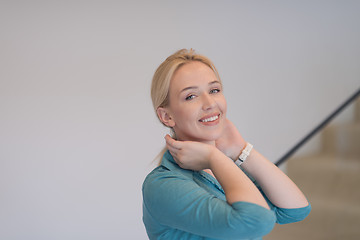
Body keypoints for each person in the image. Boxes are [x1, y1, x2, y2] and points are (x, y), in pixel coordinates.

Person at [142, 49, 311, 240]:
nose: (210, 103)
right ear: (167, 116)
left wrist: (240, 150)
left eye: (214, 90)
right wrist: (214, 157)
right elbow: (257, 222)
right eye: (191, 96)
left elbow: (295, 210)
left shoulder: (226, 168)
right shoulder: (162, 186)